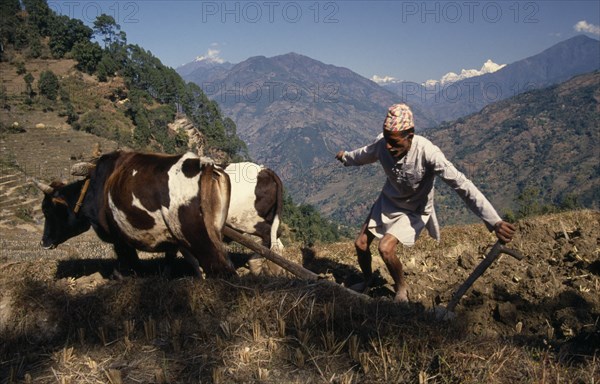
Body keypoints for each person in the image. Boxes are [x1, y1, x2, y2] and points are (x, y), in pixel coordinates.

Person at [335, 103, 515, 303]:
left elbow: (463, 185)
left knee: (385, 248)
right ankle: (367, 280)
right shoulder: (383, 145)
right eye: (386, 139)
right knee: (360, 244)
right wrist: (345, 158)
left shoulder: (429, 153)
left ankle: (401, 288)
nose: (388, 146)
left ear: (409, 136)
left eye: (394, 142)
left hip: (414, 209)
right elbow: (363, 155)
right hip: (389, 201)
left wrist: (494, 221)